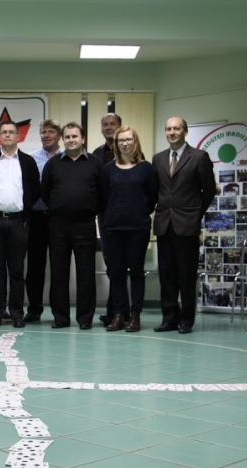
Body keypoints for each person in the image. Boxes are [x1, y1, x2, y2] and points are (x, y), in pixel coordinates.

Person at [152, 116, 216, 334]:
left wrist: (195, 213)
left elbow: (208, 191)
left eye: (176, 128)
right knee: (166, 274)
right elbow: (156, 190)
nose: (172, 132)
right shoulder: (158, 159)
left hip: (187, 224)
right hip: (164, 224)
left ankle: (186, 319)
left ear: (185, 131)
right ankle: (169, 318)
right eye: (168, 129)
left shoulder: (198, 157)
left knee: (186, 274)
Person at [41, 122, 104, 329]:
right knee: (59, 273)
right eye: (67, 137)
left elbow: (103, 193)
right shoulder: (53, 164)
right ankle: (61, 317)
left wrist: (89, 209)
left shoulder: (95, 164)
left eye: (74, 136)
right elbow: (45, 193)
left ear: (82, 139)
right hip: (58, 225)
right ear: (63, 139)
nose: (71, 140)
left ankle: (85, 318)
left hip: (85, 224)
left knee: (86, 273)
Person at [0, 120, 40, 328]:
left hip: (17, 222)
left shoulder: (28, 162)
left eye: (11, 132)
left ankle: (16, 313)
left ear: (18, 136)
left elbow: (34, 191)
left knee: (16, 270)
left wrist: (26, 215)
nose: (7, 135)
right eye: (3, 132)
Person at [100, 126, 157, 332]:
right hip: (113, 229)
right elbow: (103, 199)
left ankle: (135, 315)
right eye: (121, 140)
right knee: (116, 273)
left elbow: (152, 198)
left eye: (128, 139)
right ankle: (118, 315)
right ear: (116, 144)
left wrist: (138, 212)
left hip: (138, 229)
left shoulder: (146, 169)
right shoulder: (107, 170)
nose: (125, 143)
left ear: (135, 142)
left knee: (136, 272)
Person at [25, 119, 61, 323]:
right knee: (35, 267)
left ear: (59, 135)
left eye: (50, 132)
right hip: (37, 218)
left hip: (59, 219)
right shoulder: (32, 159)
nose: (46, 135)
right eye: (43, 132)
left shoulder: (65, 158)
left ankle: (58, 311)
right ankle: (34, 309)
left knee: (58, 266)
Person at [92, 113, 123, 326]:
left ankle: (123, 311)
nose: (109, 127)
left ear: (120, 127)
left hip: (127, 216)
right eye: (105, 125)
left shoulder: (131, 150)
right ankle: (114, 311)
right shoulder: (96, 155)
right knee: (112, 265)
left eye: (113, 124)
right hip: (105, 218)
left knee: (125, 266)